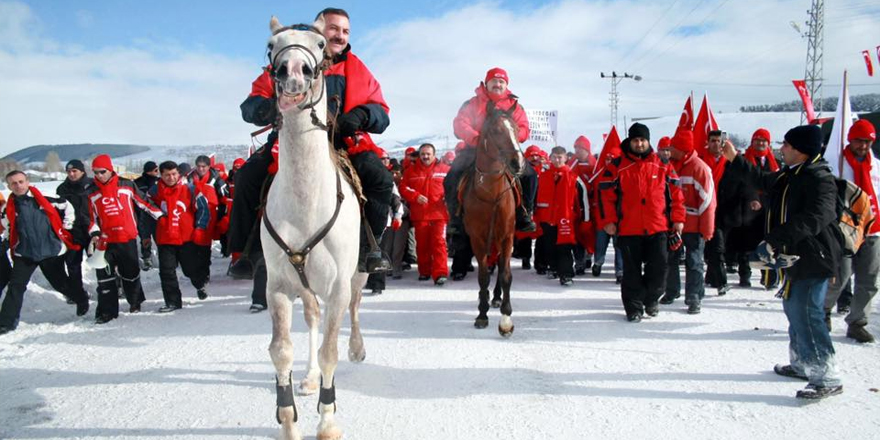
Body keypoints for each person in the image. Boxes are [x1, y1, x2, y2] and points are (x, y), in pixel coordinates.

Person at [230, 7, 392, 278]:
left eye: (345, 31)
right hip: (290, 139)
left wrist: (362, 114)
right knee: (247, 176)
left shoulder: (356, 68)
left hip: (342, 141)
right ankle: (247, 252)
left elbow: (381, 112)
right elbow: (251, 104)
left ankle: (369, 249)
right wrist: (267, 108)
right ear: (319, 30)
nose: (340, 35)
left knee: (381, 179)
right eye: (333, 29)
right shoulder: (287, 60)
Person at [722, 124, 842, 399]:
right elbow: (763, 181)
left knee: (808, 313)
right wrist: (734, 159)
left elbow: (815, 218)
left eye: (787, 144)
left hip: (815, 256)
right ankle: (802, 362)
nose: (782, 148)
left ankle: (826, 374)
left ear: (801, 150)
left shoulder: (819, 178)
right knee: (794, 307)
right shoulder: (792, 174)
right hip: (795, 256)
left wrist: (776, 238)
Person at [598, 123, 685, 322]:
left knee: (660, 269)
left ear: (648, 141)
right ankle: (633, 308)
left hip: (658, 227)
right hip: (629, 228)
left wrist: (678, 220)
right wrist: (609, 221)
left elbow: (677, 195)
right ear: (630, 141)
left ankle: (652, 299)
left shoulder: (662, 164)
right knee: (631, 273)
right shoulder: (616, 166)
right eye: (636, 140)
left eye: (643, 140)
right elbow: (605, 196)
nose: (639, 143)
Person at [447, 67, 534, 235]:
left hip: (507, 149)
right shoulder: (472, 103)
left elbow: (524, 127)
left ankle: (525, 213)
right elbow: (460, 123)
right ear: (486, 83)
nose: (498, 84)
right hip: (476, 148)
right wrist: (476, 138)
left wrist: (514, 137)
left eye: (502, 81)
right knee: (452, 176)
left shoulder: (514, 105)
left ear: (506, 85)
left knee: (530, 175)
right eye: (494, 81)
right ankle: (455, 218)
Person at [0, 171, 88, 335]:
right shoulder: (8, 207)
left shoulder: (45, 198)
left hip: (50, 251)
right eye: (14, 183)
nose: (18, 186)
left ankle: (81, 298)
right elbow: (9, 227)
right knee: (16, 286)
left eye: (20, 181)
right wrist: (6, 242)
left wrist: (67, 227)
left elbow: (67, 207)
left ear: (27, 181)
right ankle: (6, 322)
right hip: (25, 253)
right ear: (9, 186)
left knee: (60, 284)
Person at [88, 155, 164, 324]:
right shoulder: (91, 191)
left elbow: (143, 202)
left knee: (130, 272)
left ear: (110, 170)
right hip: (105, 241)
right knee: (105, 276)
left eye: (102, 171)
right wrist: (94, 233)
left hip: (126, 237)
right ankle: (107, 312)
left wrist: (160, 216)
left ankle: (135, 301)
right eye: (96, 172)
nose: (99, 175)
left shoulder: (127, 185)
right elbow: (89, 217)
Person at [823, 119, 879, 343]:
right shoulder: (837, 164)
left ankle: (858, 322)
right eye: (858, 141)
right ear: (850, 140)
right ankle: (822, 312)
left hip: (872, 229)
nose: (863, 146)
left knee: (869, 280)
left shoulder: (876, 167)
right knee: (840, 276)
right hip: (844, 231)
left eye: (867, 142)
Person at [660, 130, 715, 314]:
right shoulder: (670, 167)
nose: (669, 150)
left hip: (694, 225)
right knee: (671, 259)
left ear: (682, 149)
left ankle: (694, 296)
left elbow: (708, 202)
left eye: (673, 147)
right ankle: (672, 291)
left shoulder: (700, 168)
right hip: (674, 224)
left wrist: (707, 229)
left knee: (694, 261)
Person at [148, 161, 211, 312]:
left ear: (179, 174)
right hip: (165, 238)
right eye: (167, 175)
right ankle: (172, 302)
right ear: (161, 175)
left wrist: (200, 228)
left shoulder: (190, 189)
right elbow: (147, 209)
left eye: (174, 174)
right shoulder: (154, 191)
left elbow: (203, 208)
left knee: (190, 269)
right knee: (167, 271)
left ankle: (200, 284)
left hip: (186, 238)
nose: (171, 178)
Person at [401, 143, 450, 285]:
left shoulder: (445, 170)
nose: (425, 156)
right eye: (423, 154)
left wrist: (448, 197)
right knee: (422, 245)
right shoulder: (411, 171)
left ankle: (440, 273)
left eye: (428, 154)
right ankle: (424, 271)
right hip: (420, 215)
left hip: (439, 214)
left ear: (434, 154)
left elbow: (454, 187)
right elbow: (403, 188)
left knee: (439, 243)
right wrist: (415, 196)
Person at [535, 147, 580, 286]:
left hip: (565, 218)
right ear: (550, 157)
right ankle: (553, 268)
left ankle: (566, 274)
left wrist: (583, 219)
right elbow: (535, 197)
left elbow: (582, 200)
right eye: (554, 157)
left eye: (560, 157)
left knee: (565, 247)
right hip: (547, 218)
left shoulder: (573, 177)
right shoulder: (543, 176)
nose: (557, 160)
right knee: (549, 245)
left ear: (566, 158)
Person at [188, 155, 229, 288]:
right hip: (191, 214)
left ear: (208, 166)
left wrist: (224, 217)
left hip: (210, 216)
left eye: (203, 166)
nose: (201, 169)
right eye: (198, 166)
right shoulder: (189, 178)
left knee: (205, 245)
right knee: (192, 245)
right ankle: (195, 272)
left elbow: (226, 199)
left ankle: (204, 273)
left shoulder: (216, 179)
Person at [56, 160, 93, 305]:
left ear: (82, 171)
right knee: (72, 263)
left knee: (101, 260)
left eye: (74, 171)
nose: (71, 174)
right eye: (69, 171)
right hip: (73, 232)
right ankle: (77, 292)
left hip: (92, 230)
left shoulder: (92, 184)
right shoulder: (62, 189)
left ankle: (111, 286)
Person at [568, 136, 596, 275]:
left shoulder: (595, 166)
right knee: (577, 235)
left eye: (580, 148)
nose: (577, 151)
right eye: (576, 148)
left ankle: (589, 255)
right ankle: (579, 262)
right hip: (578, 207)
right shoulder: (572, 166)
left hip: (593, 207)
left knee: (590, 234)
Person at [134, 161, 160, 270]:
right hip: (146, 215)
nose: (157, 172)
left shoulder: (159, 182)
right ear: (151, 171)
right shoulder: (139, 182)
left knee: (153, 238)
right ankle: (147, 258)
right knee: (146, 238)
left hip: (151, 215)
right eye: (156, 170)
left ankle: (154, 257)